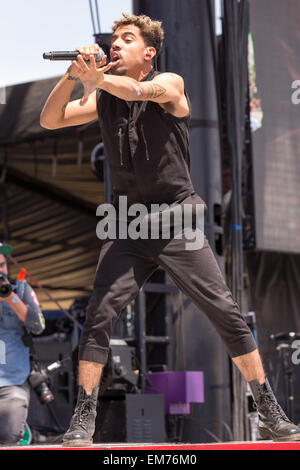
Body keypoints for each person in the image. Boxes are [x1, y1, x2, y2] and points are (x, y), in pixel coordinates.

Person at [40, 13, 300, 445]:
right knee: (98, 317)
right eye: (115, 40)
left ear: (149, 52)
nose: (116, 45)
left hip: (178, 220)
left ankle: (270, 411)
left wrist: (96, 79)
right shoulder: (104, 97)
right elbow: (52, 119)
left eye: (127, 39)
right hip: (126, 224)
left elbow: (137, 90)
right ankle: (83, 419)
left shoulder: (170, 84)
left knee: (225, 313)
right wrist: (72, 77)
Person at [0, 242, 45, 445]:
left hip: (12, 382)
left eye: (2, 265)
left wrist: (10, 297)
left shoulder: (21, 289)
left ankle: (18, 430)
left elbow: (38, 325)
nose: (0, 270)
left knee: (8, 436)